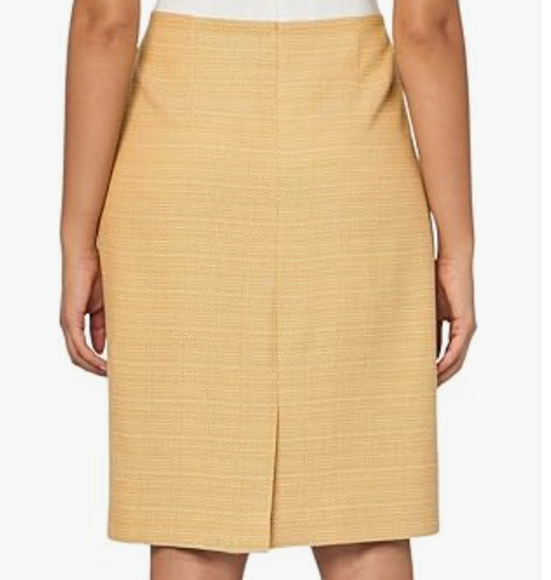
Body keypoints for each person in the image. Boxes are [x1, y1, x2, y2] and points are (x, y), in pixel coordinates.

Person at [59, 0, 477, 578]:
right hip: (352, 144)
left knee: (192, 522)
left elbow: (104, 23)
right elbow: (428, 29)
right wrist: (456, 245)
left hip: (184, 146)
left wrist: (77, 237)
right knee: (365, 518)